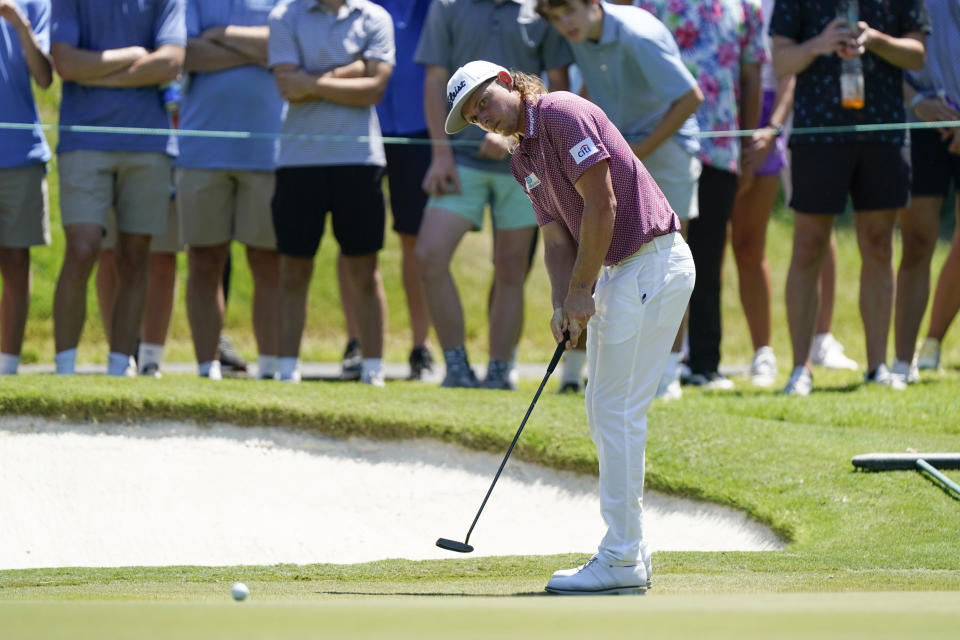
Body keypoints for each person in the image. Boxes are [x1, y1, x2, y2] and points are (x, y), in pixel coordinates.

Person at [447, 60, 694, 593]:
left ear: (509, 82)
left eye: (484, 103)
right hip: (619, 273)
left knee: (615, 409)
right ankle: (631, 549)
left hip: (649, 261)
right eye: (472, 117)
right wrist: (565, 304)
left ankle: (622, 557)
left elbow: (601, 205)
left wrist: (584, 292)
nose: (482, 118)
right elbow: (558, 240)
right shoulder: (522, 157)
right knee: (604, 408)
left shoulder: (562, 112)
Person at [536, 0, 703, 399]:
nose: (565, 24)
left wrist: (640, 150)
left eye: (570, 12)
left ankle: (668, 374)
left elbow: (690, 97)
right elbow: (596, 88)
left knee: (669, 262)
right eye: (556, 19)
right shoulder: (584, 36)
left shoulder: (637, 35)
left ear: (593, 4)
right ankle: (587, 367)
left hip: (665, 151)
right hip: (617, 149)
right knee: (595, 249)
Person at [771, 0, 929, 395]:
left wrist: (874, 39)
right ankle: (800, 369)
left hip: (883, 131)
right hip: (817, 134)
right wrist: (819, 44)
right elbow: (781, 60)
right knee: (808, 245)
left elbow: (917, 56)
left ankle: (877, 367)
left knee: (879, 245)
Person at [413, 0, 572, 389]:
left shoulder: (540, 10)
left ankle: (499, 372)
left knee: (511, 269)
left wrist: (515, 135)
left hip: (526, 163)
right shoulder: (448, 7)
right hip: (459, 162)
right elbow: (435, 80)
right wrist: (440, 153)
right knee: (429, 255)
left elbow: (557, 84)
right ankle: (457, 369)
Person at [49, 0, 185, 376]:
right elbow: (65, 63)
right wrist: (133, 57)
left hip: (148, 143)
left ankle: (118, 367)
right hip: (84, 140)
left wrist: (95, 73)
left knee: (135, 254)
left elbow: (171, 62)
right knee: (82, 247)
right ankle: (64, 370)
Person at [636, 0, 766, 391]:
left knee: (707, 256)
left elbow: (752, 75)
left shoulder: (746, 5)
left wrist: (746, 142)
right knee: (654, 259)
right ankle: (650, 365)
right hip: (661, 145)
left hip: (721, 144)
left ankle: (704, 363)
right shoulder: (647, 3)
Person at [268, 0, 394, 386]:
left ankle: (373, 370)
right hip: (298, 161)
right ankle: (287, 370)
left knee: (364, 268)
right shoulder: (284, 16)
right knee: (294, 267)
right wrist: (350, 71)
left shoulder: (374, 17)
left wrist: (314, 81)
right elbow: (288, 87)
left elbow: (374, 89)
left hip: (359, 159)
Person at [176, 0, 284, 380]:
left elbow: (284, 46)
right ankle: (208, 369)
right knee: (204, 260)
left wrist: (220, 36)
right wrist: (256, 53)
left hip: (269, 150)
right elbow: (184, 53)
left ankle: (271, 371)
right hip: (202, 149)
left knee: (268, 262)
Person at [337, 0, 436, 383]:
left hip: (418, 130)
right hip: (359, 126)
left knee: (415, 239)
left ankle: (420, 347)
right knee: (354, 241)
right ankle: (355, 344)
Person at [895, 0, 960, 379]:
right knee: (918, 240)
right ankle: (903, 363)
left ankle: (933, 341)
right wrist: (918, 102)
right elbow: (877, 46)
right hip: (918, 117)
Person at [0, 0, 52, 376]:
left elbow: (45, 76)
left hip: (20, 154)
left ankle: (8, 367)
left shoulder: (36, 3)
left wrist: (20, 24)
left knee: (16, 260)